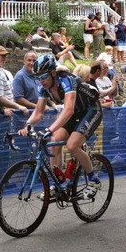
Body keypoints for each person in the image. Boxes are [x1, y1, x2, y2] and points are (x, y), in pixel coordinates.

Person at [19, 54, 103, 200]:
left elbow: (68, 109)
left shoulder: (66, 80)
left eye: (43, 76)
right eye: (38, 77)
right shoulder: (43, 86)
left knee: (72, 146)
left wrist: (48, 129)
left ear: (53, 72)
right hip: (75, 113)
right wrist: (28, 125)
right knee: (54, 141)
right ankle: (57, 185)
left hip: (90, 110)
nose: (41, 80)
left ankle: (93, 180)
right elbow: (38, 112)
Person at [0, 46, 29, 116]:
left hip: (10, 111)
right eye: (2, 55)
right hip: (1, 113)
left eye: (5, 55)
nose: (4, 58)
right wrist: (19, 106)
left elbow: (12, 93)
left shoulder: (7, 73)